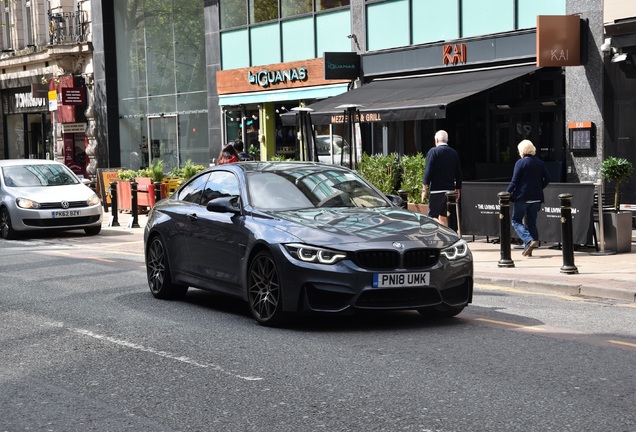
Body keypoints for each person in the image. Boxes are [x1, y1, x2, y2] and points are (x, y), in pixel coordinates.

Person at [506, 139, 551, 257]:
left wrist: (506, 193)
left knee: (516, 221)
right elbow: (548, 178)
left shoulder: (520, 163)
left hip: (523, 197)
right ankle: (529, 248)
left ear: (521, 150)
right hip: (536, 197)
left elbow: (514, 181)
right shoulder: (539, 162)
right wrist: (539, 188)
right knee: (531, 222)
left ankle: (529, 240)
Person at [421, 130, 463, 226]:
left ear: (436, 140)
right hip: (450, 191)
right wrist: (458, 189)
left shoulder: (433, 152)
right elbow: (459, 173)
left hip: (437, 190)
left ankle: (444, 232)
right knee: (443, 216)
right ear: (447, 140)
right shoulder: (454, 153)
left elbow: (428, 171)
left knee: (431, 217)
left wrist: (424, 189)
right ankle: (445, 237)